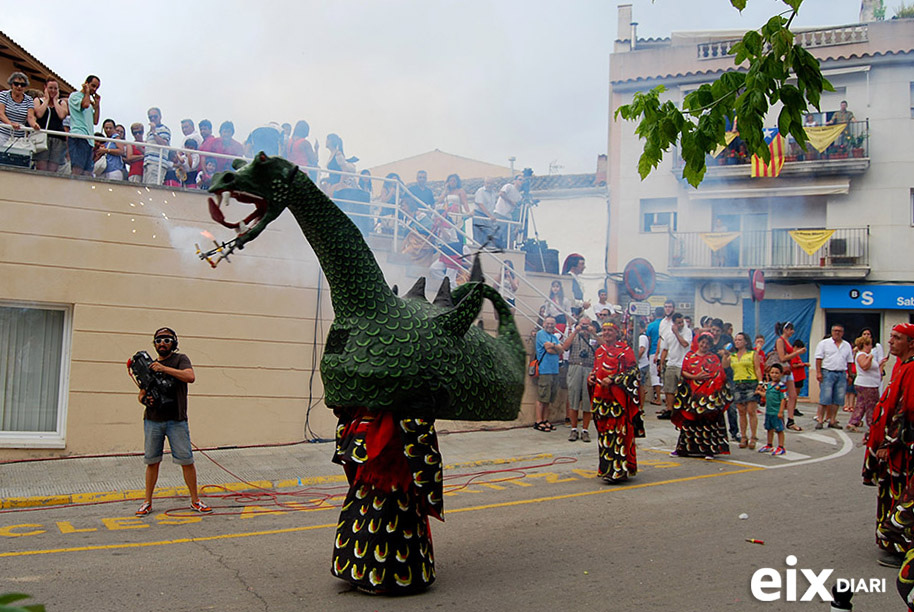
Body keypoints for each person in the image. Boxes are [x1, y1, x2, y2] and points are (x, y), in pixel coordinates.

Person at [134, 327, 212, 516]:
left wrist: (164, 369)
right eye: (159, 340)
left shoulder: (180, 359)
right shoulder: (149, 366)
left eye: (167, 340)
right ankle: (147, 502)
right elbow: (141, 394)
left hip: (177, 420)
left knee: (186, 460)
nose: (162, 343)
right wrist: (146, 400)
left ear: (174, 343)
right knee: (152, 461)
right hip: (153, 421)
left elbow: (190, 377)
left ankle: (195, 501)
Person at [861, 324, 914, 572]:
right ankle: (890, 544)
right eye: (891, 337)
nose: (890, 341)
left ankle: (899, 546)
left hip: (901, 450)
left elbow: (906, 412)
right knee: (889, 494)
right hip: (892, 447)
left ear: (911, 343)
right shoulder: (900, 366)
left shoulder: (912, 368)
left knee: (902, 497)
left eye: (897, 338)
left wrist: (888, 443)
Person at [588, 320, 640, 483]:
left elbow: (633, 373)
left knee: (619, 435)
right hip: (601, 400)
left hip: (617, 401)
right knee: (604, 435)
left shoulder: (625, 350)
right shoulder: (599, 351)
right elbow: (597, 370)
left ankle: (620, 471)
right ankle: (606, 469)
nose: (606, 333)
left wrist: (614, 378)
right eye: (604, 330)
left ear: (617, 333)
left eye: (610, 330)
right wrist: (591, 377)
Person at [670, 332, 732, 459]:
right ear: (698, 342)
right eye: (702, 342)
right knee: (689, 422)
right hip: (692, 395)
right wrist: (695, 377)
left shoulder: (713, 358)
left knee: (708, 422)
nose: (704, 345)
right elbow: (684, 372)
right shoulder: (689, 356)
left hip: (708, 396)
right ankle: (683, 449)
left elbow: (719, 374)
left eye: (707, 343)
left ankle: (709, 450)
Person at [814, 323, 854, 430]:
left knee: (838, 398)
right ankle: (820, 420)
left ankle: (832, 420)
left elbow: (849, 361)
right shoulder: (824, 343)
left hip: (841, 373)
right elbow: (818, 358)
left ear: (843, 333)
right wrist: (818, 372)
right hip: (827, 372)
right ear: (832, 332)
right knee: (825, 397)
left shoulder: (846, 345)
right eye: (835, 330)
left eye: (839, 331)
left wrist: (850, 375)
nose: (837, 333)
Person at [562, 316, 596, 443]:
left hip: (589, 369)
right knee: (573, 400)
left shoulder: (593, 338)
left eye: (587, 325)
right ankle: (574, 428)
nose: (584, 328)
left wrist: (593, 333)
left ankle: (585, 430)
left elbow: (604, 346)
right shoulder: (574, 335)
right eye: (583, 325)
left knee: (588, 401)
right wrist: (575, 331)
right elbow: (564, 347)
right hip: (575, 366)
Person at [729, 332, 763, 450]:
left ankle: (753, 437)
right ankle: (743, 436)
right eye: (736, 340)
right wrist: (724, 355)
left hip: (750, 382)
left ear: (745, 342)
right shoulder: (732, 355)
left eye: (740, 340)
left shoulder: (752, 354)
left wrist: (760, 383)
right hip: (738, 383)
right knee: (741, 411)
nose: (737, 342)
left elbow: (757, 368)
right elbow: (724, 365)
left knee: (751, 410)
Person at [659, 313, 692, 421]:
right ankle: (670, 410)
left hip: (683, 364)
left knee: (684, 388)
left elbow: (685, 344)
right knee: (669, 389)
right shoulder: (667, 333)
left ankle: (684, 410)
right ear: (673, 323)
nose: (681, 324)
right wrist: (661, 363)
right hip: (671, 363)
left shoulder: (687, 332)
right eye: (678, 323)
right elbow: (665, 349)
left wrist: (677, 333)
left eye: (682, 322)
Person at [774, 321, 807, 431]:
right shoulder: (780, 341)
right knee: (780, 395)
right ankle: (778, 418)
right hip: (782, 370)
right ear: (785, 330)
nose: (792, 331)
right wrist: (797, 352)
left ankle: (790, 420)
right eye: (790, 329)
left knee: (793, 395)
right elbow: (782, 357)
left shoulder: (787, 341)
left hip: (789, 370)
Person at [67, 75, 101, 176]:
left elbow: (95, 121)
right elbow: (84, 105)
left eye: (97, 88)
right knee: (77, 169)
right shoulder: (75, 96)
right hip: (78, 136)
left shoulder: (89, 102)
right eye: (93, 86)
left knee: (87, 172)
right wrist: (86, 92)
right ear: (86, 83)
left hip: (89, 139)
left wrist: (97, 105)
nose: (94, 90)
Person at [31, 78, 68, 172]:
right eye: (50, 88)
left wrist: (55, 101)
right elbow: (39, 113)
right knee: (41, 166)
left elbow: (62, 115)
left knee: (53, 168)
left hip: (58, 139)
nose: (53, 90)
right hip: (42, 137)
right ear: (45, 88)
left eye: (55, 88)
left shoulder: (62, 103)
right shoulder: (38, 100)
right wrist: (47, 99)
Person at [533, 317, 562, 432]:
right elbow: (549, 350)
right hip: (545, 370)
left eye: (552, 324)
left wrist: (554, 346)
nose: (550, 325)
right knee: (542, 396)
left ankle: (545, 420)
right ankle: (538, 421)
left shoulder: (554, 336)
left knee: (549, 398)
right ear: (544, 324)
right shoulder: (541, 334)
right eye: (548, 323)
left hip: (554, 370)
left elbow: (562, 350)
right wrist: (556, 348)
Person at [848, 335, 880, 433]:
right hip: (867, 384)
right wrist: (870, 357)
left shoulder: (863, 355)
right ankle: (872, 424)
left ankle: (854, 421)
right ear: (865, 345)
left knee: (861, 404)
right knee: (871, 405)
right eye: (870, 345)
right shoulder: (862, 355)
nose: (871, 347)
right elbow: (864, 366)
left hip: (868, 383)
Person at [0, 72, 39, 148]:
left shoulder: (29, 100)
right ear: (11, 84)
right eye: (16, 84)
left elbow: (30, 117)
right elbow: (1, 113)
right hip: (2, 134)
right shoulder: (3, 95)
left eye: (22, 85)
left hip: (19, 138)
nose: (19, 86)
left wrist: (34, 125)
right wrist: (10, 124)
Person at [757, 364, 787, 456]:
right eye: (772, 373)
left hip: (777, 411)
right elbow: (766, 395)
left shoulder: (781, 386)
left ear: (781, 374)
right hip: (769, 411)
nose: (774, 375)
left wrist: (781, 411)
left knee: (779, 430)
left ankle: (781, 447)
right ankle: (769, 444)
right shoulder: (769, 385)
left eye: (777, 373)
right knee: (769, 428)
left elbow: (783, 399)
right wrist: (759, 392)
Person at [433, 173, 469, 245]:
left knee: (458, 232)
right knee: (448, 232)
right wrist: (445, 190)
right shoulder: (446, 192)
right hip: (447, 214)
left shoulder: (460, 191)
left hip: (456, 214)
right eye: (450, 181)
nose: (452, 182)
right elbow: (439, 201)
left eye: (454, 181)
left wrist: (468, 212)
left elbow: (465, 202)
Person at [493, 175, 523, 249]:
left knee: (510, 236)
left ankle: (510, 251)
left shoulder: (519, 196)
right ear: (515, 181)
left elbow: (517, 209)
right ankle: (492, 249)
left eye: (522, 180)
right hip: (499, 213)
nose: (521, 182)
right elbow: (501, 193)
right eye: (520, 179)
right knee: (496, 234)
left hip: (508, 216)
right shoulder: (509, 186)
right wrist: (511, 202)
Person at [143, 107, 171, 185]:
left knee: (153, 187)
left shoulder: (164, 129)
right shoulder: (149, 132)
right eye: (150, 117)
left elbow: (164, 144)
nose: (152, 119)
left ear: (160, 116)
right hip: (148, 163)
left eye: (155, 116)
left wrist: (154, 132)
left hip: (157, 163)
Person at [561, 254, 591, 318]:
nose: (584, 267)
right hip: (571, 312)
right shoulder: (568, 278)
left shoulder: (576, 278)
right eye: (581, 264)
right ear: (573, 265)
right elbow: (568, 298)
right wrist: (582, 304)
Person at [645, 307, 664, 407]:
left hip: (653, 351)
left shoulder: (651, 325)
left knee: (655, 375)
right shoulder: (666, 324)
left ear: (655, 314)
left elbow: (648, 339)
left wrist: (648, 353)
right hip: (666, 352)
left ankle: (658, 398)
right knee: (664, 374)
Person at [472, 177, 498, 247]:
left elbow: (492, 206)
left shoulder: (494, 193)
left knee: (489, 238)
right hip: (479, 216)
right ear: (484, 183)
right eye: (487, 183)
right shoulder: (480, 191)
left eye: (491, 183)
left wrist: (492, 216)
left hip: (488, 218)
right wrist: (490, 216)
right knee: (478, 238)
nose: (489, 185)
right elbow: (480, 205)